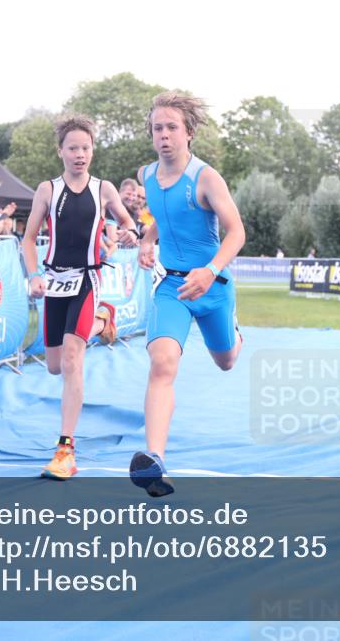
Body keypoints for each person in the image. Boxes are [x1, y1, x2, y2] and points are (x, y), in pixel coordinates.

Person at [134, 91, 246, 497]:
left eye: (172, 128)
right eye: (157, 128)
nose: (164, 135)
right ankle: (155, 461)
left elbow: (237, 232)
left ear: (189, 132)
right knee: (162, 363)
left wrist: (211, 269)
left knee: (227, 361)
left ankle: (234, 334)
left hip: (213, 286)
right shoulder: (147, 175)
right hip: (173, 286)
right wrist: (148, 239)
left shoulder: (206, 178)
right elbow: (164, 218)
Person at [22, 115, 139, 480]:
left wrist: (132, 232)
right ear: (60, 151)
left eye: (85, 148)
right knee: (55, 366)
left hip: (87, 280)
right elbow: (27, 240)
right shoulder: (47, 190)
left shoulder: (104, 189)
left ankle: (66, 449)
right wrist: (34, 276)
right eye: (72, 148)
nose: (80, 154)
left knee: (73, 360)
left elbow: (127, 220)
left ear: (92, 151)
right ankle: (104, 320)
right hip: (54, 283)